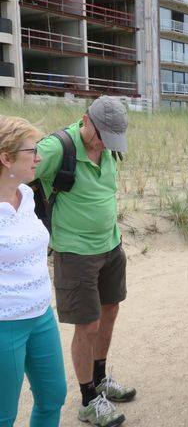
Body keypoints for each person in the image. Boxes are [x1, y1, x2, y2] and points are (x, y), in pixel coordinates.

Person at [35, 97, 132, 427]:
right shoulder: (56, 147)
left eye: (112, 140)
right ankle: (89, 399)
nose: (106, 145)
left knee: (110, 310)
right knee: (87, 325)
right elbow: (15, 170)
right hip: (75, 251)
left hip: (111, 244)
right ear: (85, 120)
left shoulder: (107, 148)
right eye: (102, 136)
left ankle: (101, 378)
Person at [1, 116, 67, 427]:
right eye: (32, 150)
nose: (39, 157)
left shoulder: (27, 195)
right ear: (6, 158)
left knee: (53, 396)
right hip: (5, 324)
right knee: (4, 414)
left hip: (41, 314)